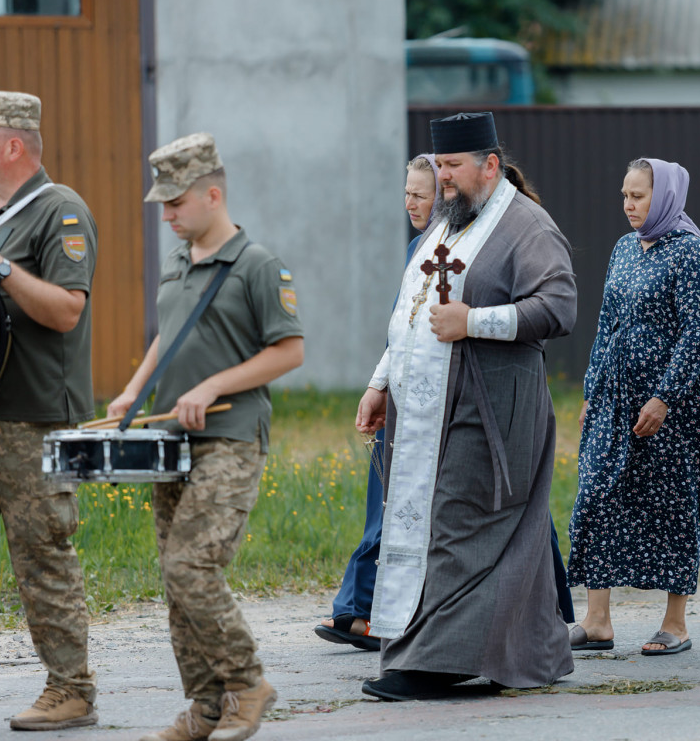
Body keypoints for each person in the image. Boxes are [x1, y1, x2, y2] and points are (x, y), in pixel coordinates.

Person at [356, 111, 577, 701]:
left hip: (493, 406)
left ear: (490, 165)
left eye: (453, 166)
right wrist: (380, 381)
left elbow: (559, 307)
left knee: (459, 525)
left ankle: (435, 664)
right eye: (440, 165)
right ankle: (517, 652)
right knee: (441, 526)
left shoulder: (526, 226)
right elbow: (412, 311)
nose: (443, 177)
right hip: (432, 407)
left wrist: (474, 322)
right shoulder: (446, 225)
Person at [107, 133, 304, 740]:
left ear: (212, 194)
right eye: (163, 205)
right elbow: (169, 336)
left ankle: (248, 684)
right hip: (172, 439)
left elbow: (289, 352)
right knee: (174, 577)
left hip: (231, 438)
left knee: (193, 565)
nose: (165, 215)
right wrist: (134, 392)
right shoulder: (178, 260)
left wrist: (213, 385)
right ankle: (207, 707)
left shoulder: (258, 265)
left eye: (175, 204)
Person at [0, 90, 99, 730]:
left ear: (11, 143)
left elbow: (66, 310)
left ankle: (71, 691)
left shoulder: (60, 212)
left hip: (36, 418)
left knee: (43, 557)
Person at [566, 158, 700, 656]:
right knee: (598, 494)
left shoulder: (689, 251)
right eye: (625, 195)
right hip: (615, 397)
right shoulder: (624, 249)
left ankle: (676, 623)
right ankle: (597, 620)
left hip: (673, 407)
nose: (628, 205)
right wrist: (592, 390)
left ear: (666, 196)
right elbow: (606, 322)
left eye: (639, 196)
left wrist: (664, 398)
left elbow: (699, 333)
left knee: (673, 505)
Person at [315, 154, 440, 651]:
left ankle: (371, 611)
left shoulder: (458, 249)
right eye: (406, 192)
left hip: (440, 399)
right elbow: (400, 329)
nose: (409, 202)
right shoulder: (417, 247)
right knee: (383, 503)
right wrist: (379, 385)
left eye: (420, 193)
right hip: (403, 390)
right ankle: (358, 609)